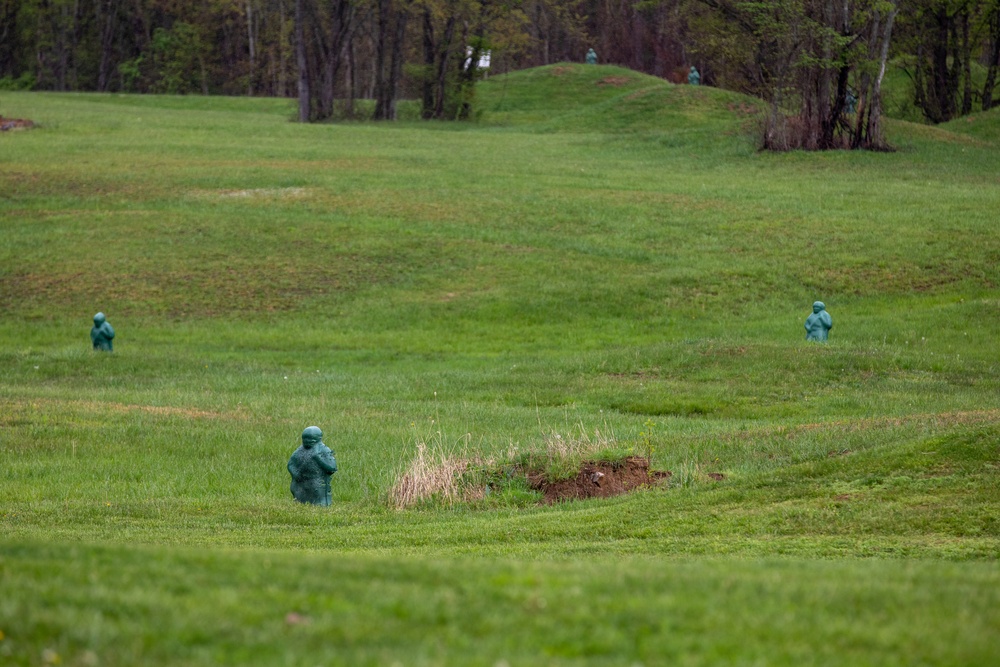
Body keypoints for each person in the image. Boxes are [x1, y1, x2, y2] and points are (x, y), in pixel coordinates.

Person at [287, 426, 338, 506]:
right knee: (299, 499)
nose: (307, 441)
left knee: (318, 501)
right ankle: (300, 504)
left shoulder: (324, 450)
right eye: (305, 439)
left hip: (316, 482)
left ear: (318, 438)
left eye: (311, 439)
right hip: (300, 482)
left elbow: (332, 468)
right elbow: (291, 464)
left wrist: (318, 458)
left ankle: (321, 507)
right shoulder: (300, 450)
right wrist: (295, 474)